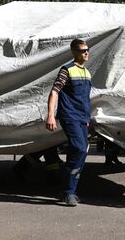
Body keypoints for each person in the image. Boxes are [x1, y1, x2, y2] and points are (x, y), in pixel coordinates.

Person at [46, 39, 92, 206]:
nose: (86, 53)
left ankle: (67, 189)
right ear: (74, 52)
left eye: (87, 49)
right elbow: (54, 92)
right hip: (69, 116)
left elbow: (85, 98)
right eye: (82, 50)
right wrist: (50, 115)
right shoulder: (67, 70)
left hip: (83, 118)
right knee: (79, 148)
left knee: (82, 153)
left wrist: (89, 119)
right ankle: (68, 191)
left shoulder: (86, 72)